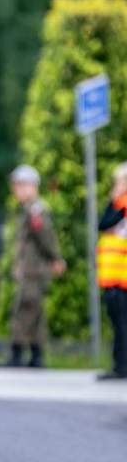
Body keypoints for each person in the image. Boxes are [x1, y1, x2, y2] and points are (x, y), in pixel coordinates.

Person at [0, 165, 65, 368]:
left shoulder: (35, 210)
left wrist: (56, 258)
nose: (16, 189)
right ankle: (36, 356)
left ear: (32, 186)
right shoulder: (28, 209)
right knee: (34, 311)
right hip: (30, 269)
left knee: (25, 310)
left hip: (34, 270)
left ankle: (17, 354)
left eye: (20, 185)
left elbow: (46, 238)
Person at [96, 161, 127, 381]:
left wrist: (117, 203)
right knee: (118, 325)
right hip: (112, 278)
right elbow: (103, 223)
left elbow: (109, 222)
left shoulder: (123, 206)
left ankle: (122, 366)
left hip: (122, 278)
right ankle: (119, 365)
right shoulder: (118, 204)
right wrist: (113, 201)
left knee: (123, 325)